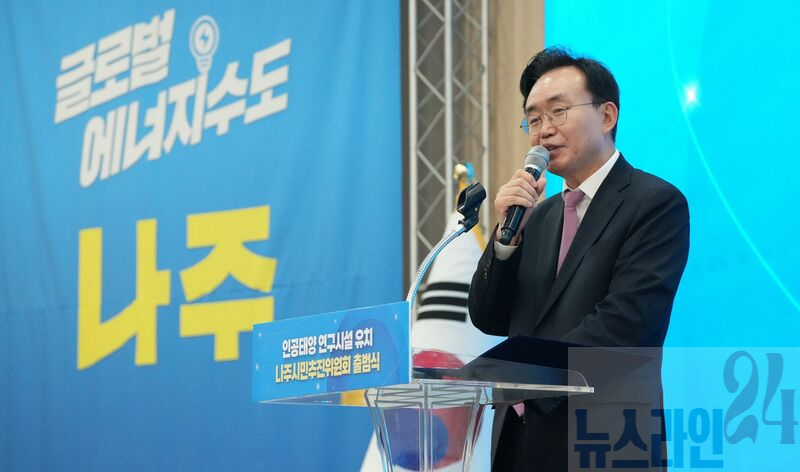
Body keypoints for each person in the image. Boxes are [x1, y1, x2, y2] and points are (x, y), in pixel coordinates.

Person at [468, 47, 690, 471]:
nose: (543, 131)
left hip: (607, 443)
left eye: (558, 112)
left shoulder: (654, 204)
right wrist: (504, 239)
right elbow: (488, 317)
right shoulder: (537, 217)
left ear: (607, 116)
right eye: (533, 119)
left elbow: (625, 325)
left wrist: (515, 372)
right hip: (519, 445)